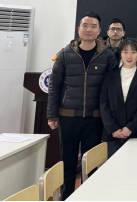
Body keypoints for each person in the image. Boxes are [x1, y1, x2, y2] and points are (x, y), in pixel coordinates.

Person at [47, 12, 118, 200]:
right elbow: (55, 86)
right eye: (85, 25)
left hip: (95, 118)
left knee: (91, 163)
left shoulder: (108, 55)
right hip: (68, 117)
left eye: (93, 26)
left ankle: (89, 197)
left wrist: (110, 119)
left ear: (99, 31)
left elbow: (112, 90)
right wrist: (52, 115)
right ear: (78, 29)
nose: (89, 29)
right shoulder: (65, 54)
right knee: (68, 162)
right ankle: (67, 197)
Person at [100, 39, 137, 157]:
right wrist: (113, 128)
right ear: (120, 54)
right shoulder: (109, 76)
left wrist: (130, 127)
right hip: (112, 134)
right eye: (125, 52)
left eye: (133, 52)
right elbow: (103, 103)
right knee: (112, 166)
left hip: (135, 133)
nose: (129, 56)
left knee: (134, 165)